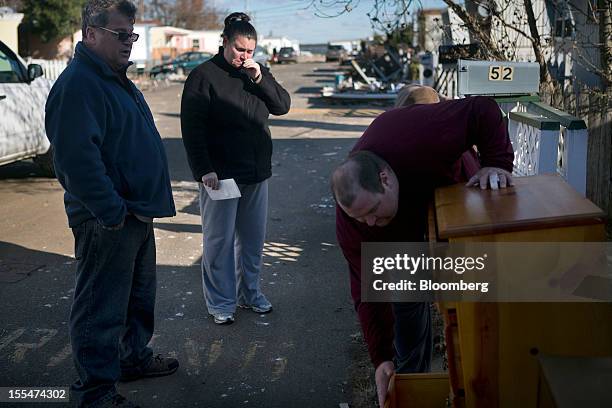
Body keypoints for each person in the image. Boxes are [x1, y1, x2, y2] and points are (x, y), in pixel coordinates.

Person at [331, 96, 514, 407]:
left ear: (384, 180)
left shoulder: (414, 135)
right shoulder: (355, 221)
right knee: (406, 300)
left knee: (470, 303)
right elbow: (368, 290)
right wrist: (381, 358)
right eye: (362, 217)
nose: (371, 223)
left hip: (455, 205)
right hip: (404, 233)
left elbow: (483, 109)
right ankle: (413, 381)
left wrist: (496, 162)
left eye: (373, 210)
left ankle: (480, 381)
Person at [45, 1, 178, 407]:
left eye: (132, 34)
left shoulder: (114, 78)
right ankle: (95, 391)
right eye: (121, 34)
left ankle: (131, 358)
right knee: (100, 308)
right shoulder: (79, 84)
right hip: (109, 219)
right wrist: (111, 211)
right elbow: (75, 161)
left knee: (138, 299)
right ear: (91, 33)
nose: (129, 43)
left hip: (135, 212)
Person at [180, 12, 290, 325]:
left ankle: (250, 294)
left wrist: (259, 78)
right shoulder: (203, 76)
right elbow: (192, 128)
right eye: (239, 49)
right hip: (221, 176)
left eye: (250, 51)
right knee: (219, 242)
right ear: (224, 42)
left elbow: (282, 106)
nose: (244, 56)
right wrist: (204, 169)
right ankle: (221, 303)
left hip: (256, 173)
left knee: (253, 242)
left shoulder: (256, 74)